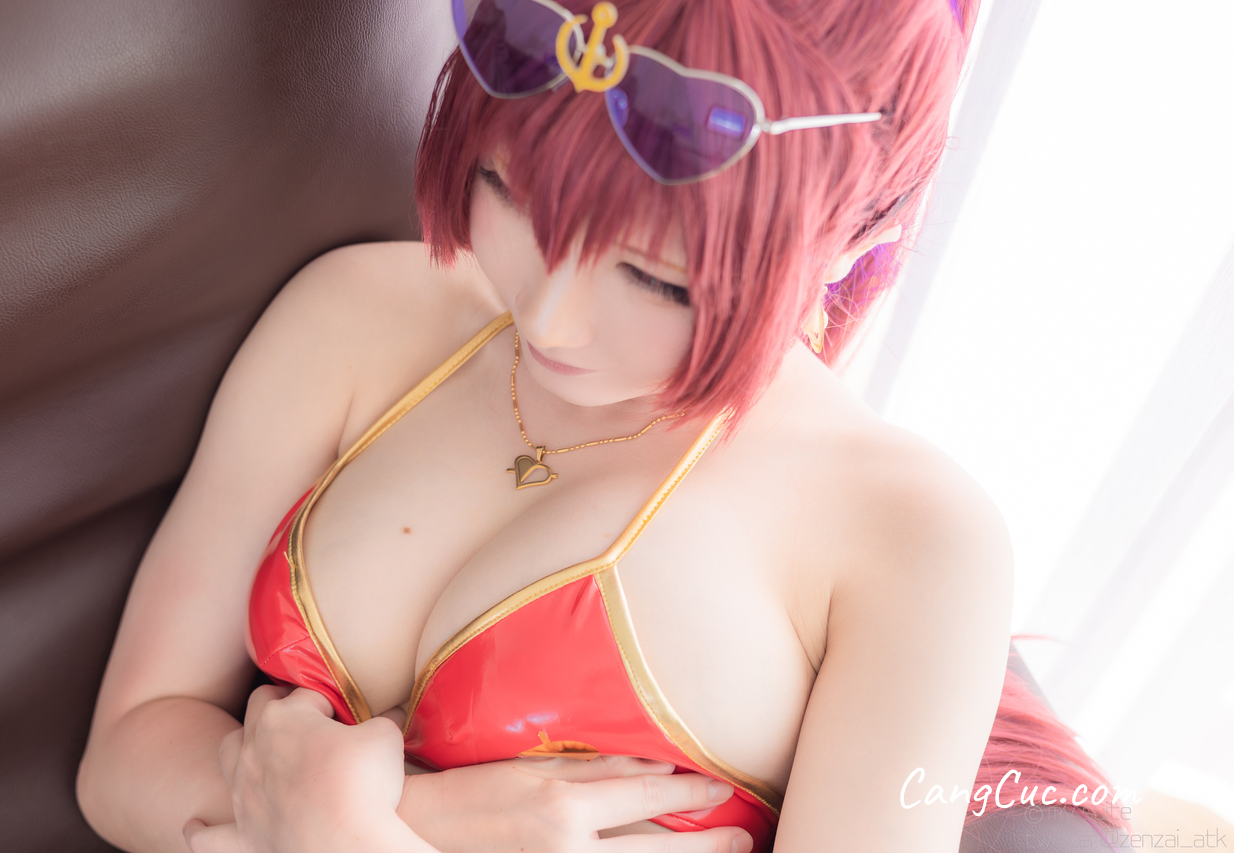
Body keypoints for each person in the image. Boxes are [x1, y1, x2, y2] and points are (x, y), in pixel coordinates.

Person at [76, 1, 1131, 851]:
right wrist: (419, 820)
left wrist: (344, 829)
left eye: (654, 278)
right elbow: (124, 751)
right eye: (507, 190)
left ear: (852, 235)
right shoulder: (356, 315)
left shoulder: (912, 538)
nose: (548, 316)